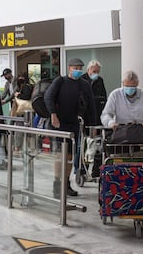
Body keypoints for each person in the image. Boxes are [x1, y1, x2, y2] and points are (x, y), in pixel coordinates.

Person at [44, 58, 96, 197]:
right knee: (60, 155)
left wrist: (92, 125)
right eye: (75, 67)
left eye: (80, 67)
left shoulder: (85, 84)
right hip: (59, 124)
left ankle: (66, 184)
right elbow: (48, 97)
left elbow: (91, 105)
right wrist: (53, 114)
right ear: (69, 68)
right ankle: (57, 184)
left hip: (75, 125)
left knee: (70, 157)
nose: (78, 70)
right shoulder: (60, 81)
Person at [79, 59, 107, 177]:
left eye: (98, 71)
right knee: (83, 143)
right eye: (94, 71)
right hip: (85, 117)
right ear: (88, 70)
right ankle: (81, 169)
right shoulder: (82, 81)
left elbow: (104, 97)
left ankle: (96, 169)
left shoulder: (99, 81)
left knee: (98, 144)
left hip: (98, 116)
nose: (96, 73)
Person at [12, 71, 33, 154]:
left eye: (22, 77)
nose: (20, 79)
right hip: (24, 111)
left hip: (23, 111)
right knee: (23, 129)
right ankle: (27, 147)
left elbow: (26, 96)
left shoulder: (26, 87)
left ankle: (18, 147)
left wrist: (18, 95)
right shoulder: (20, 87)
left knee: (19, 129)